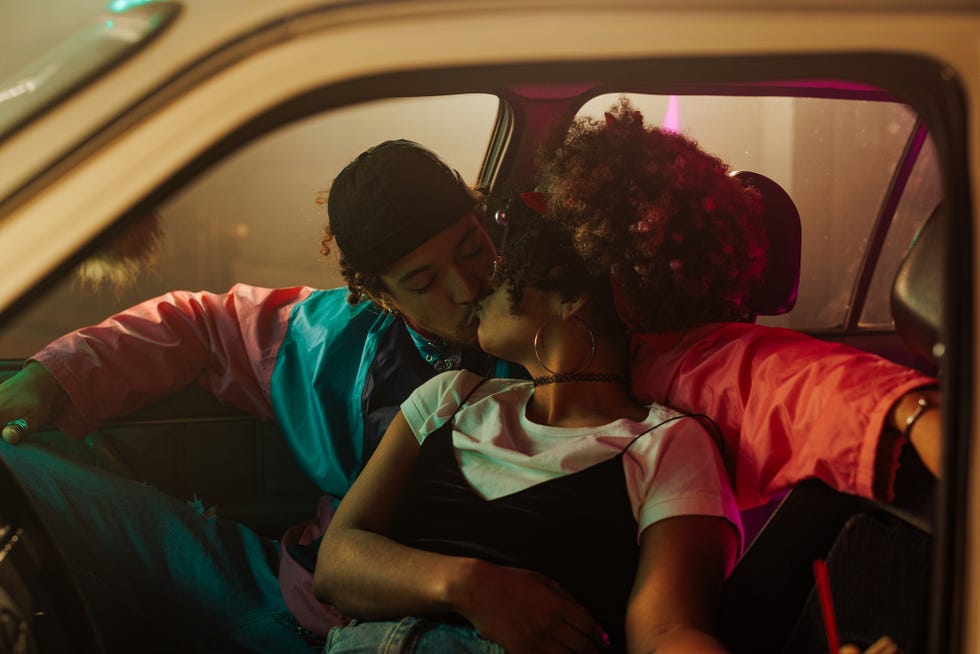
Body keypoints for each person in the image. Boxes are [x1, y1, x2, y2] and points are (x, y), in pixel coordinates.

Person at [0, 127, 936, 648]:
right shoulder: (338, 344)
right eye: (426, 280)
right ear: (371, 292)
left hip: (444, 638)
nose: (465, 290)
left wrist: (913, 411)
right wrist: (47, 381)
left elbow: (764, 379)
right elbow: (196, 323)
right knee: (28, 475)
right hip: (289, 596)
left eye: (473, 253)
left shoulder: (613, 377)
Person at [313, 196, 742, 654]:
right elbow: (335, 566)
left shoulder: (665, 443)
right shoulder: (447, 397)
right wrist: (469, 584)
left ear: (570, 297)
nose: (475, 291)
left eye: (502, 276)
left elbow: (666, 633)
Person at [536, 98, 940, 509]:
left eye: (560, 259)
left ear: (616, 280)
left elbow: (809, 383)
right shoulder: (618, 363)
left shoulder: (699, 368)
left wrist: (917, 412)